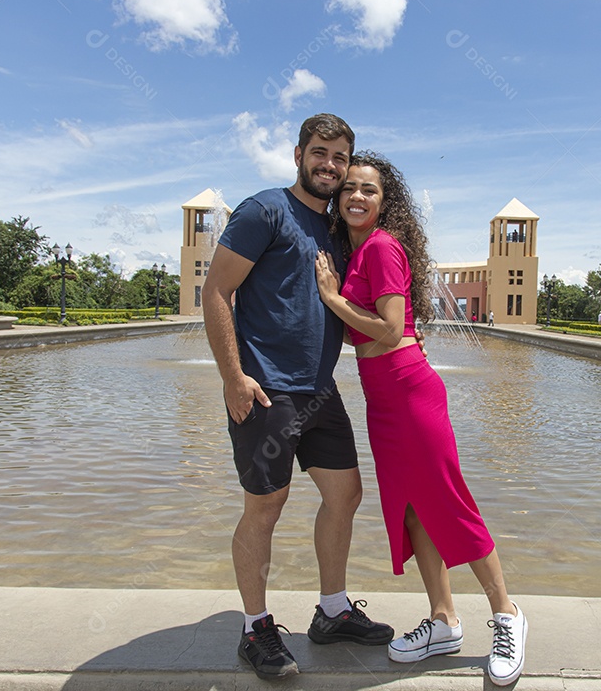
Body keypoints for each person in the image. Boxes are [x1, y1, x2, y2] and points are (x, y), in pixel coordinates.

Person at [314, 151, 527, 686]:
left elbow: (386, 330)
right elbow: (361, 334)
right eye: (350, 189)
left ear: (386, 204)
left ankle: (507, 615)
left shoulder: (383, 247)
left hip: (410, 393)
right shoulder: (357, 252)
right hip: (383, 400)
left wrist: (331, 298)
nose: (358, 196)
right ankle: (443, 620)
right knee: (412, 511)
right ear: (338, 200)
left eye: (370, 190)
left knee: (448, 503)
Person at [201, 114, 394, 681]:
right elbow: (217, 290)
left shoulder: (338, 229)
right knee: (266, 505)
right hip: (265, 389)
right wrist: (233, 378)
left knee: (346, 494)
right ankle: (255, 627)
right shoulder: (264, 211)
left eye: (339, 156)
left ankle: (331, 611)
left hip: (319, 389)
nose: (329, 165)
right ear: (298, 154)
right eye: (320, 153)